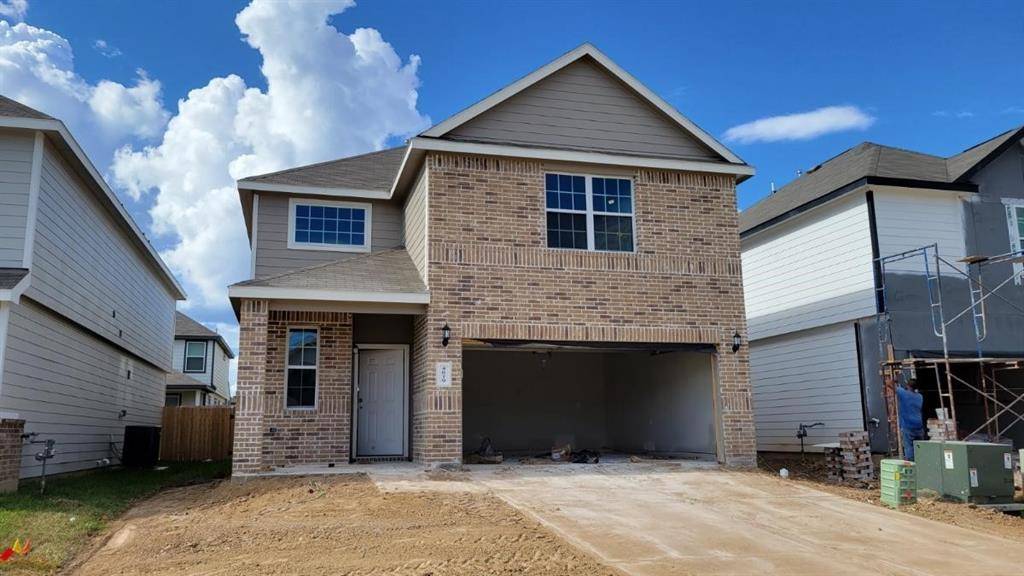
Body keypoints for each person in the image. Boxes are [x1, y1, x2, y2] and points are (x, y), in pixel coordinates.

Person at [896, 379, 925, 460]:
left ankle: (911, 466)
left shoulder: (904, 394)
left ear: (908, 386)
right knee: (920, 447)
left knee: (909, 448)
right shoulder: (920, 396)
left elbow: (890, 384)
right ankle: (921, 464)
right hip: (919, 425)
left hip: (908, 426)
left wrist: (895, 379)